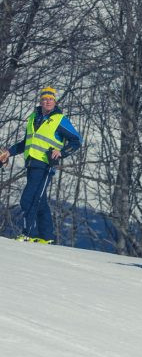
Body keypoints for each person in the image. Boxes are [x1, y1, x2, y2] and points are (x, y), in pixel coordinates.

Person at [0, 87, 82, 244]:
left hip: (45, 165)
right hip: (31, 164)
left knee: (28, 199)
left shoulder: (59, 119)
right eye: (45, 99)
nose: (48, 101)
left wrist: (62, 152)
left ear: (54, 101)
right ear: (41, 101)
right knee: (40, 200)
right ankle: (47, 237)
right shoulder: (33, 118)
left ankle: (27, 234)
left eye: (50, 99)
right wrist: (9, 152)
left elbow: (76, 140)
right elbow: (26, 142)